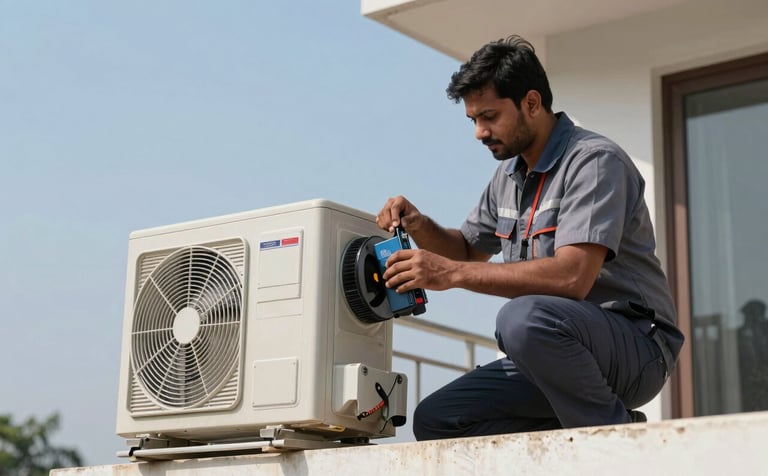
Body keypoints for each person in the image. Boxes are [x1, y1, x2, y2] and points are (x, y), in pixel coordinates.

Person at [374, 35, 685, 440]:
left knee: (520, 319)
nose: (479, 132)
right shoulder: (507, 176)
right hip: (553, 354)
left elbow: (572, 278)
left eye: (489, 116)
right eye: (472, 120)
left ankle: (614, 440)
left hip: (636, 348)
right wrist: (419, 225)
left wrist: (450, 273)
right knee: (438, 418)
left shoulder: (593, 162)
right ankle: (600, 420)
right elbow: (468, 250)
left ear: (532, 104)